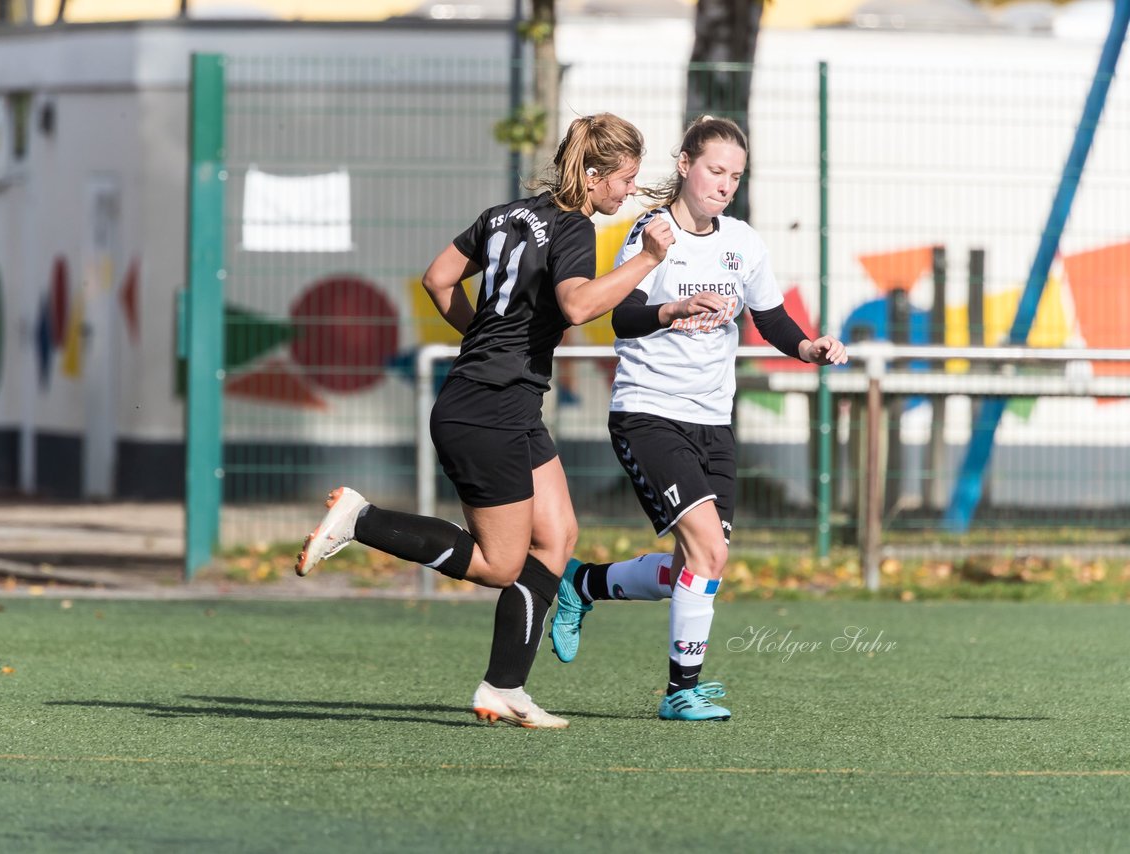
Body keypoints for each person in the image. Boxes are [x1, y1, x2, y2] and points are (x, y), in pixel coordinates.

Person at [295, 113, 675, 729]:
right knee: (502, 564)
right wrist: (648, 259)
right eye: (625, 179)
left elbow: (437, 279)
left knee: (557, 539)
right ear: (593, 173)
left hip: (502, 401)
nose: (629, 191)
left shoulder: (504, 215)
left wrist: (484, 337)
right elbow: (578, 304)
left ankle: (505, 687)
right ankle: (361, 520)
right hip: (490, 409)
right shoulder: (573, 226)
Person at [548, 116, 848, 722]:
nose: (725, 184)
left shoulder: (742, 241)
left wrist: (808, 348)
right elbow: (620, 319)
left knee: (697, 564)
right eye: (716, 170)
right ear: (685, 165)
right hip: (649, 412)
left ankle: (582, 585)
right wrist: (675, 307)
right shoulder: (650, 235)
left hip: (714, 422)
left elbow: (771, 318)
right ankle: (680, 690)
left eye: (735, 176)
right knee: (708, 552)